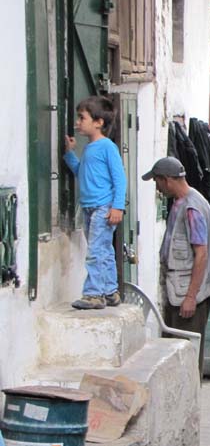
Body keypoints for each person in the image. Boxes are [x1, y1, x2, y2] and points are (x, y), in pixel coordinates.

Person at [142, 156, 210, 374]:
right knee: (175, 354)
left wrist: (190, 296)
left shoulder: (192, 208)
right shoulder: (184, 203)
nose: (158, 188)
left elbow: (201, 254)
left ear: (167, 180)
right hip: (179, 292)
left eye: (157, 182)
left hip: (188, 297)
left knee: (184, 356)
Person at [64, 96, 128, 310]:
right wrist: (69, 154)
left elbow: (120, 177)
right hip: (90, 208)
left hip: (104, 208)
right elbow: (81, 172)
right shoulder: (90, 148)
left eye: (82, 118)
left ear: (99, 122)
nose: (77, 122)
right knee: (104, 250)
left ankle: (93, 294)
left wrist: (118, 206)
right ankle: (110, 291)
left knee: (95, 251)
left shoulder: (107, 147)